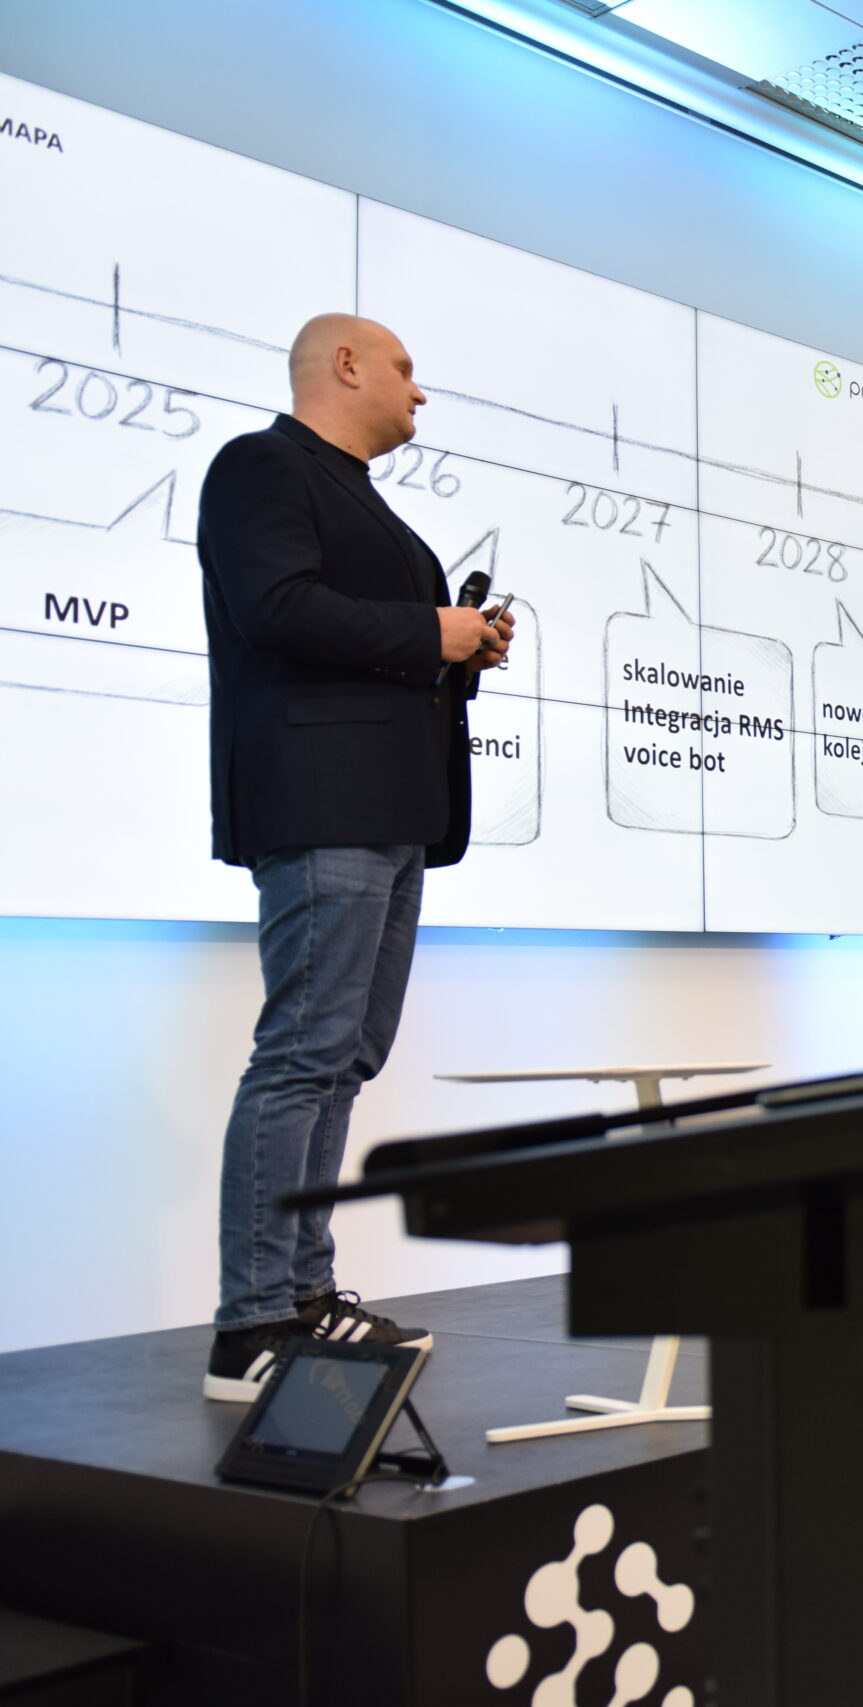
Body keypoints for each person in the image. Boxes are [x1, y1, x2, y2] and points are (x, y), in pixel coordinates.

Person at [196, 314, 513, 1401]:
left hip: (392, 810)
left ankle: (304, 1294)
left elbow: (377, 649)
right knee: (303, 1054)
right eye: (404, 370)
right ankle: (250, 1324)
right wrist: (430, 632)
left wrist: (459, 653)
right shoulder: (261, 467)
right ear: (344, 365)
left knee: (343, 1057)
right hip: (321, 802)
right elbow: (277, 609)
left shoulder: (376, 510)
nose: (419, 392)